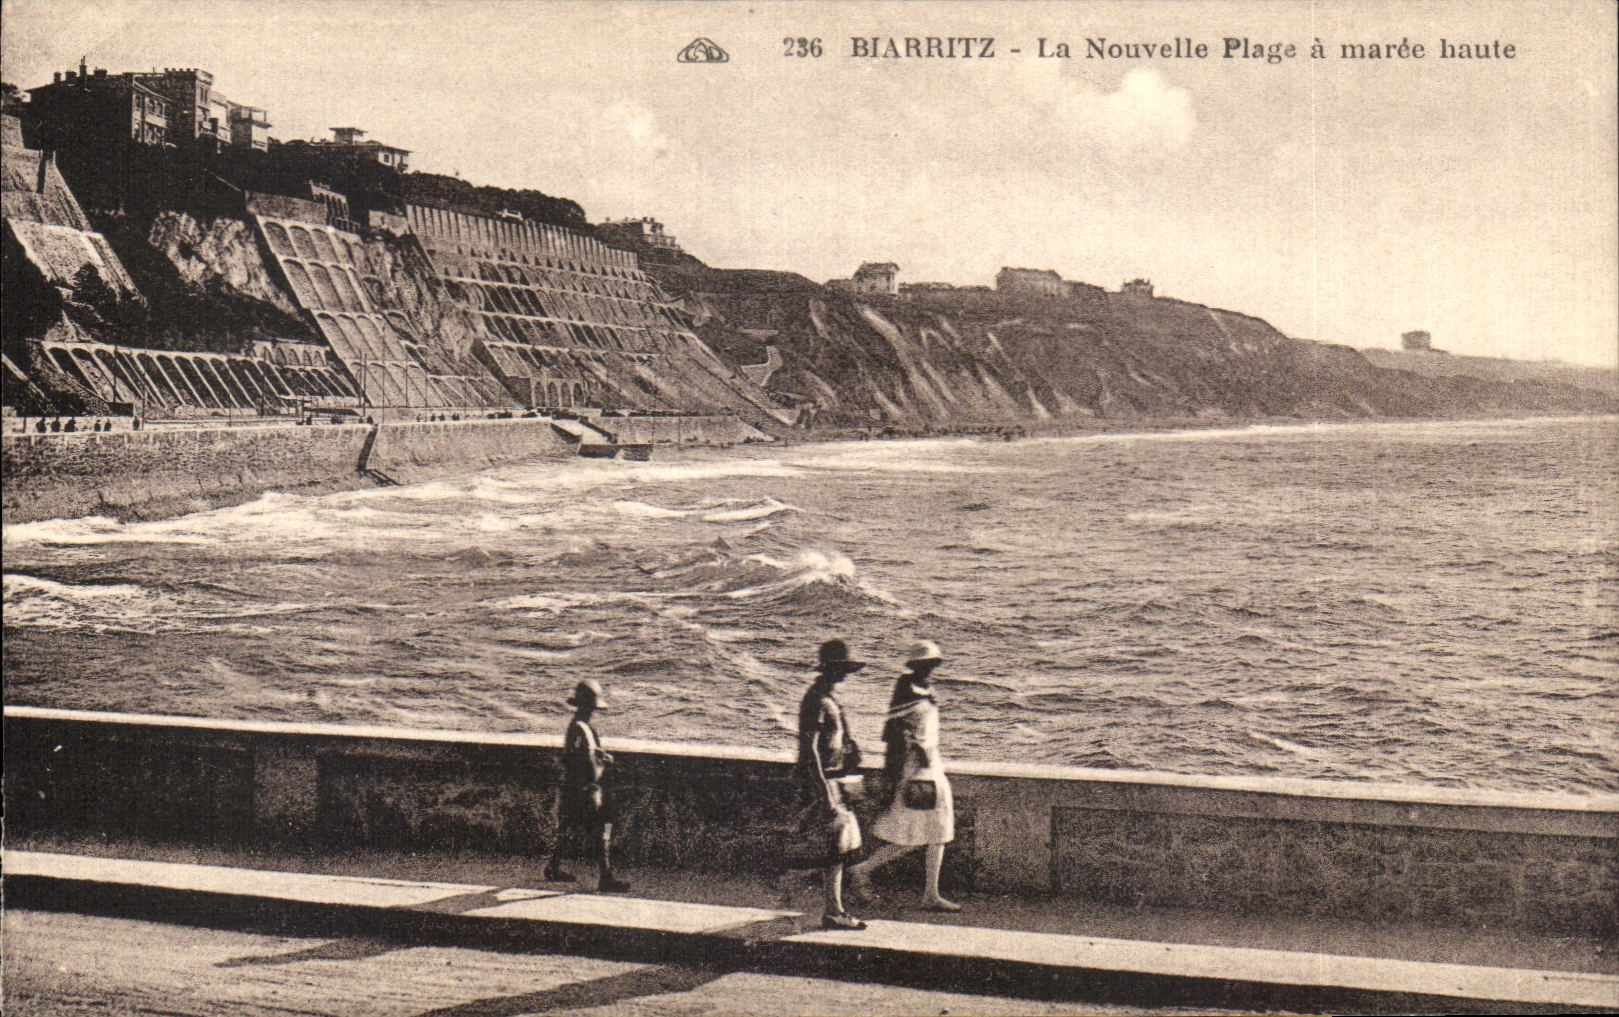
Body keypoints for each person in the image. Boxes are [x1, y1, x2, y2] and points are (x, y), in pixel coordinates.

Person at [847, 640, 960, 912]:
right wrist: (893, 778)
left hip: (931, 767)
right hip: (916, 771)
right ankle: (865, 870)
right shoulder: (906, 690)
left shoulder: (925, 690)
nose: (931, 668)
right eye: (926, 664)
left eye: (933, 663)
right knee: (923, 830)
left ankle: (927, 892)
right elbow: (893, 738)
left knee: (932, 830)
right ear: (916, 665)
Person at [790, 639, 869, 930]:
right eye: (840, 669)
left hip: (834, 780)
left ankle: (835, 908)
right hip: (823, 783)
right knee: (835, 848)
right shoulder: (816, 700)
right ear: (830, 670)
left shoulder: (828, 699)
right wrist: (824, 793)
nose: (845, 675)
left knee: (839, 847)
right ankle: (834, 910)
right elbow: (809, 749)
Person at [544, 679, 631, 893]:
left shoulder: (582, 727)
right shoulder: (579, 728)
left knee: (570, 829)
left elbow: (586, 753)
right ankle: (605, 877)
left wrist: (600, 757)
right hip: (585, 788)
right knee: (600, 830)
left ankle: (553, 867)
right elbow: (573, 758)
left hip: (580, 787)